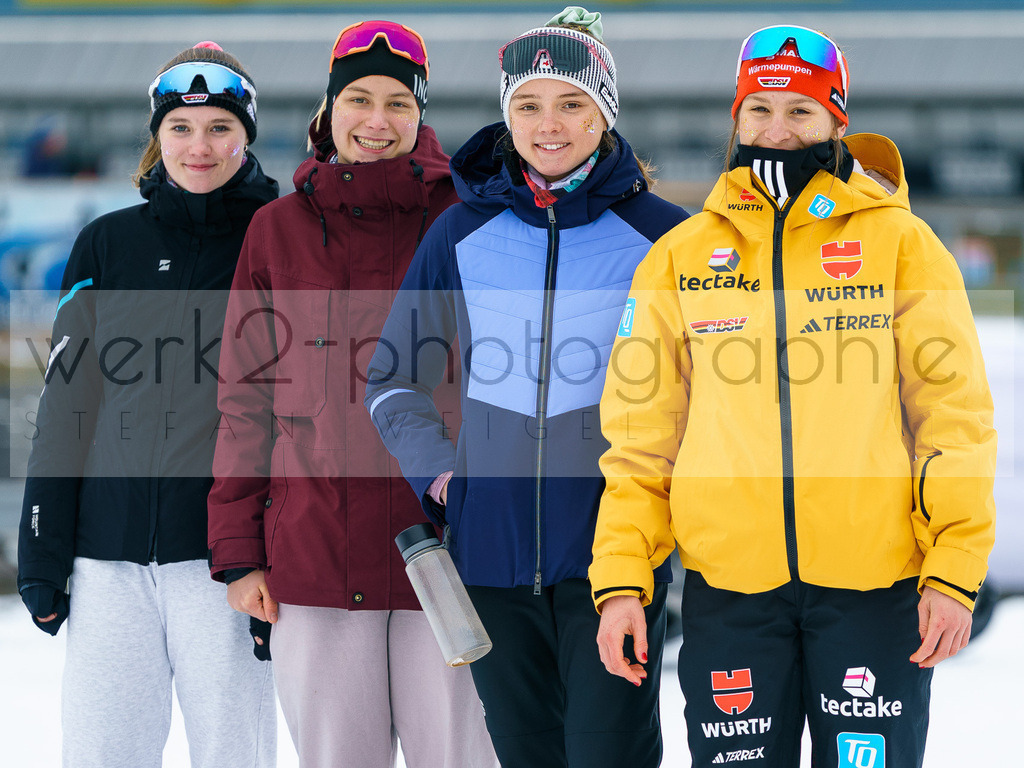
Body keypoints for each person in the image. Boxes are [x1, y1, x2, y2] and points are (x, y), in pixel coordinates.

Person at [591, 24, 997, 768]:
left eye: (802, 112)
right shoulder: (679, 258)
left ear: (837, 121)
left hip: (875, 586)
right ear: (736, 120)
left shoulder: (903, 244)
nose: (777, 130)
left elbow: (954, 419)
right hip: (731, 592)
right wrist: (622, 579)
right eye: (760, 110)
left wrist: (953, 571)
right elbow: (641, 438)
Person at [364, 7, 688, 767]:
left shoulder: (665, 237)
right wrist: (442, 475)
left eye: (572, 103)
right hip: (489, 559)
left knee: (612, 754)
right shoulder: (461, 232)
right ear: (506, 114)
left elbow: (707, 391)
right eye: (528, 105)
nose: (550, 125)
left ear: (604, 112)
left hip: (614, 557)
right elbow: (392, 377)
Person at [206, 21, 497, 768]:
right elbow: (246, 398)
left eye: (398, 103)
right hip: (316, 560)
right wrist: (240, 553)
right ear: (328, 109)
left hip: (453, 551)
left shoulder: (467, 220)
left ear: (420, 113)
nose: (377, 120)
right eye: (359, 99)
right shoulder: (277, 231)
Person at [17, 42, 279, 767]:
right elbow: (66, 405)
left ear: (246, 134)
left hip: (225, 564)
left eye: (221, 127)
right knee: (102, 754)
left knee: (235, 754)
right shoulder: (106, 245)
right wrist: (42, 550)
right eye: (181, 129)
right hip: (107, 562)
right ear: (157, 138)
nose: (200, 146)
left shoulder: (278, 239)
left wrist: (278, 554)